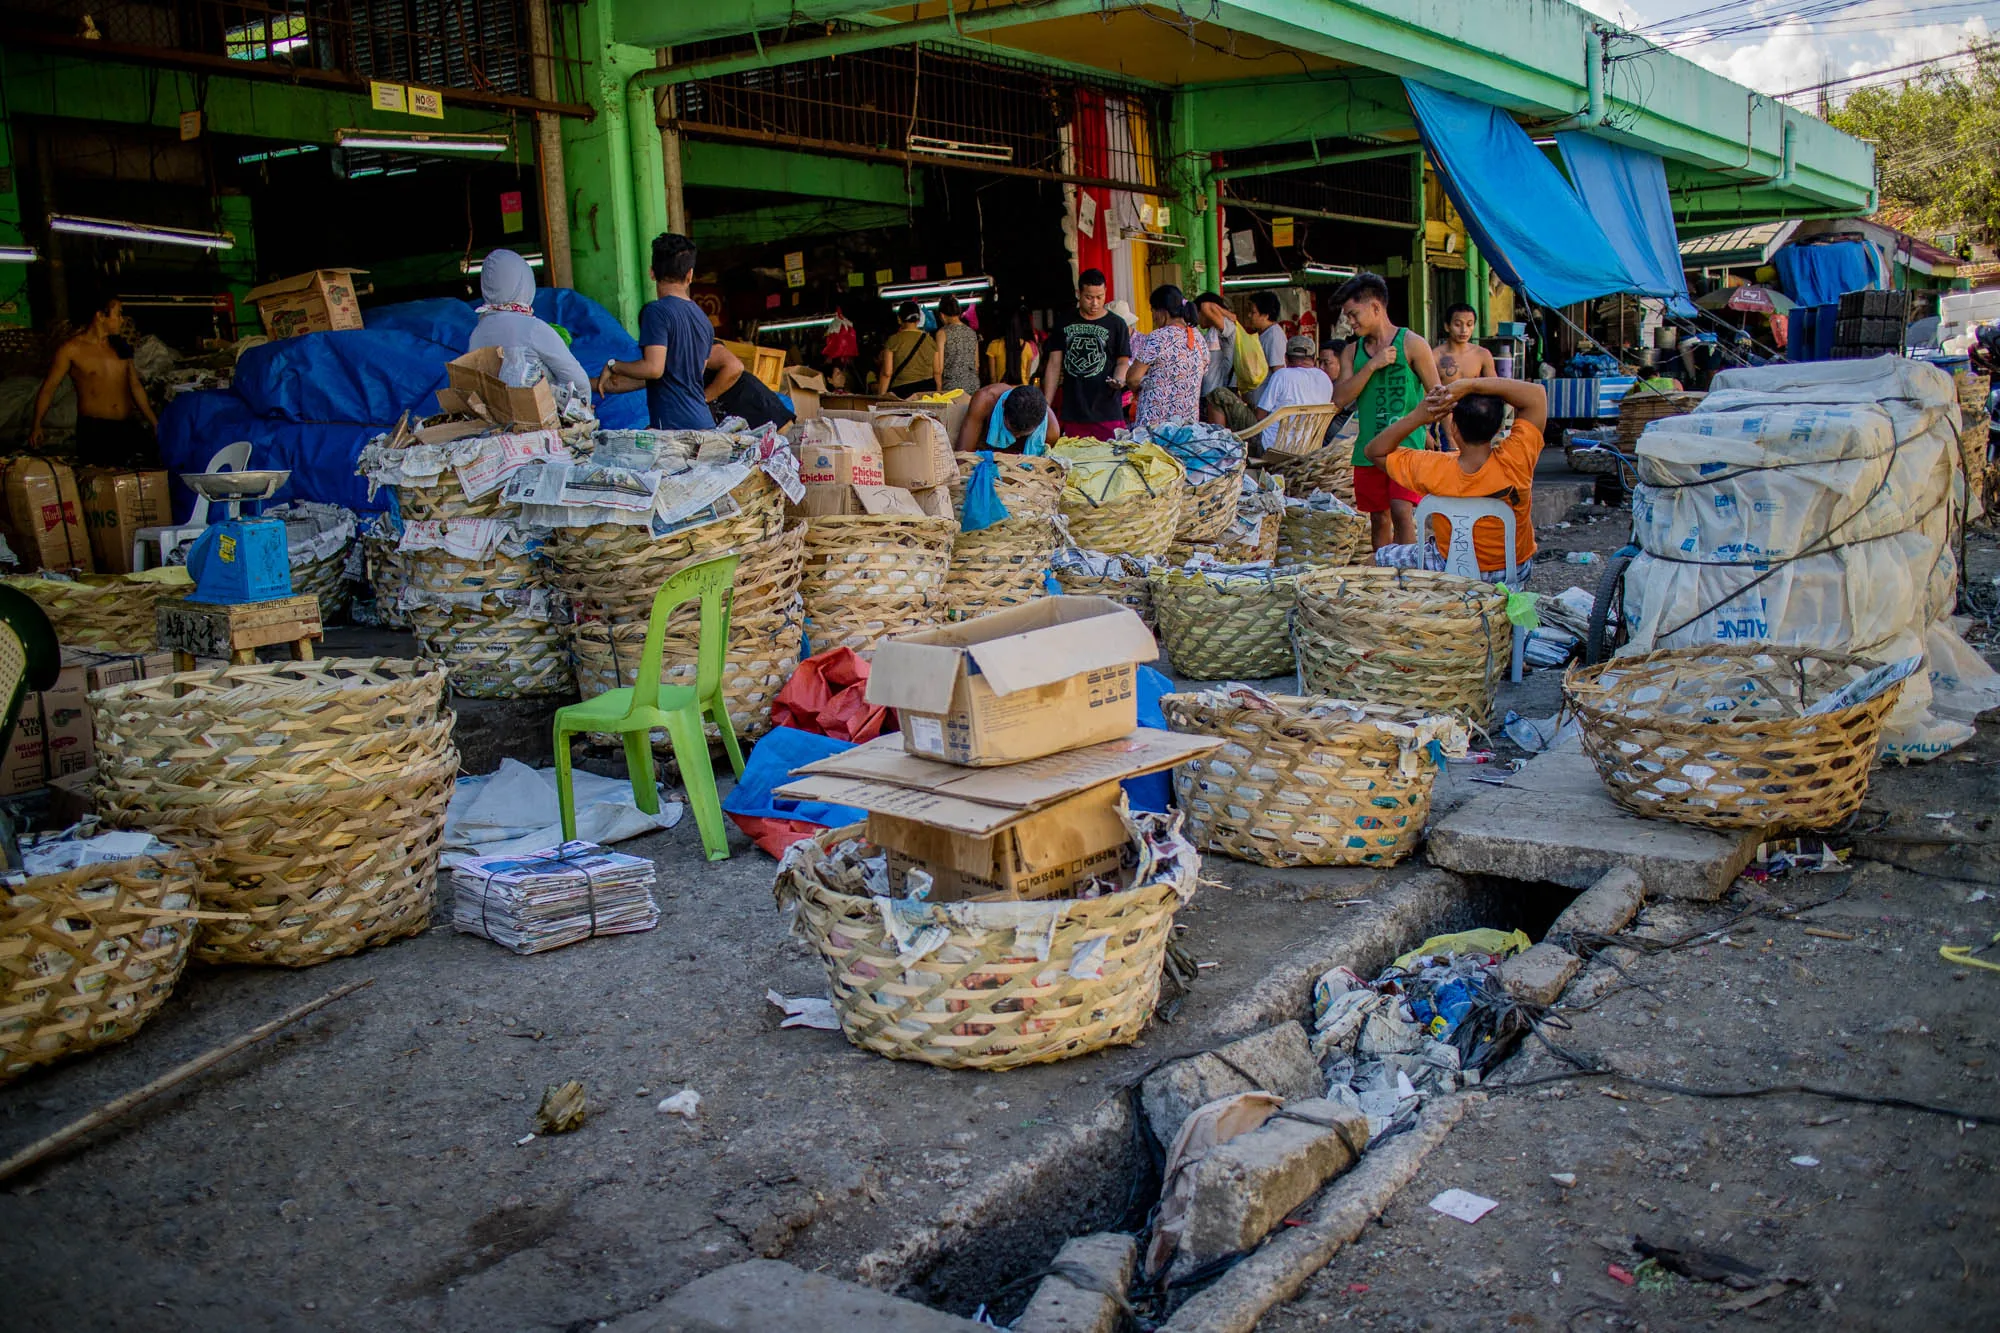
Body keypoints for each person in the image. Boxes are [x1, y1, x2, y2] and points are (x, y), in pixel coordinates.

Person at [1362, 375, 1547, 583]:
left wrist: (1419, 416)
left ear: (1454, 428)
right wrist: (1472, 384)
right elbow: (1537, 395)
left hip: (1448, 567)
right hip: (1512, 570)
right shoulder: (1517, 460)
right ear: (1498, 428)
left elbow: (1373, 452)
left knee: (1373, 561)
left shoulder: (1432, 467)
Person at [1330, 272, 1440, 549]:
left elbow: (1438, 394)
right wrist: (1372, 365)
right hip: (1368, 450)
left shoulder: (1412, 343)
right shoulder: (1352, 353)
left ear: (1376, 307)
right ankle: (1385, 578)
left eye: (1354, 314)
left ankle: (1409, 577)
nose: (1350, 322)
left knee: (1402, 512)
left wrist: (1441, 435)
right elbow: (1339, 399)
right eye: (1347, 317)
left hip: (1407, 448)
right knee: (1379, 517)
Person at [596, 232, 739, 430]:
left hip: (674, 428)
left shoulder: (656, 312)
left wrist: (614, 365)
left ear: (652, 272)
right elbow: (691, 374)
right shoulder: (703, 319)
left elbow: (654, 369)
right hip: (704, 424)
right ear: (689, 275)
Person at [29, 291, 160, 467]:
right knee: (101, 481)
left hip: (126, 425)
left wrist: (154, 422)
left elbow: (135, 386)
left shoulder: (120, 347)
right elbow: (49, 388)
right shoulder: (72, 349)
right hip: (95, 429)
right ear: (100, 316)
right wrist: (37, 424)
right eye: (118, 314)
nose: (122, 320)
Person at [465, 248, 590, 395]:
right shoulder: (533, 328)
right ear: (525, 282)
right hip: (539, 415)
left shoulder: (478, 333)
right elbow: (578, 382)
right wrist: (582, 409)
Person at [1043, 268, 1132, 438]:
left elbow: (1122, 361)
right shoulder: (1064, 321)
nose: (1095, 303)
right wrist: (1046, 403)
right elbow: (1054, 363)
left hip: (1108, 411)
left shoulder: (1117, 324)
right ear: (1079, 293)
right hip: (1074, 410)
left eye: (1100, 297)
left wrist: (1119, 380)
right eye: (1089, 297)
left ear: (1106, 291)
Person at [1126, 285, 1207, 429]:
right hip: (1187, 427)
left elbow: (1133, 378)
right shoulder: (1199, 339)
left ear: (1163, 311)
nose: (1153, 318)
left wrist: (1143, 387)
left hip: (1155, 427)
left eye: (1153, 311)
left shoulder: (1158, 337)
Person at [1251, 334, 1334, 452]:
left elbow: (1260, 415)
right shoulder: (1325, 379)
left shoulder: (1282, 375)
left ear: (1285, 358)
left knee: (1220, 394)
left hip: (1274, 448)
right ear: (1314, 359)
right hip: (1309, 448)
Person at [1193, 291, 1255, 431]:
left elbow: (1205, 306)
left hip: (1218, 398)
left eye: (1197, 313)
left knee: (1217, 438)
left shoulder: (1226, 327)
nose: (1197, 318)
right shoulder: (1212, 332)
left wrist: (1227, 313)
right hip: (1208, 396)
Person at [955, 382, 1059, 454]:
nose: (1016, 437)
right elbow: (963, 456)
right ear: (1003, 405)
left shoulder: (1050, 431)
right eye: (1012, 430)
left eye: (1022, 435)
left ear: (1039, 424)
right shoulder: (985, 401)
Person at [709, 349, 793, 431]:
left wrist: (704, 398)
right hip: (725, 411)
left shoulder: (701, 341)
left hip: (748, 398)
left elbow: (735, 366)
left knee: (784, 435)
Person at [876, 302, 937, 398]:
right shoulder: (930, 340)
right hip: (927, 390)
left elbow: (887, 373)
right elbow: (937, 370)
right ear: (919, 319)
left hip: (902, 391)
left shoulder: (893, 340)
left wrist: (880, 396)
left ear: (899, 319)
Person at [1433, 303, 1494, 387]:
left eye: (1469, 324)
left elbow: (1494, 388)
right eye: (1457, 324)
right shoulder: (1435, 357)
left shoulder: (1482, 354)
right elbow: (1428, 393)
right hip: (1446, 400)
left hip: (1475, 400)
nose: (1464, 330)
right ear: (1447, 326)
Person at [933, 296, 980, 395]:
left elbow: (939, 368)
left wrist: (939, 391)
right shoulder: (971, 332)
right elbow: (976, 365)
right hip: (972, 384)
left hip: (952, 387)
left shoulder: (942, 333)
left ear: (942, 315)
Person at [985, 305, 1040, 386]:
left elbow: (992, 377)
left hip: (1002, 391)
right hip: (1022, 390)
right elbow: (1027, 376)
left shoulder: (994, 346)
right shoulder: (1027, 346)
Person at [1246, 290, 1288, 379]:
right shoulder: (1263, 334)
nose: (1249, 315)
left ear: (1266, 315)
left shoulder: (1274, 336)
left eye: (1253, 312)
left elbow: (1278, 372)